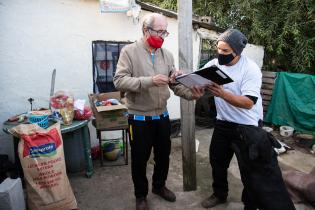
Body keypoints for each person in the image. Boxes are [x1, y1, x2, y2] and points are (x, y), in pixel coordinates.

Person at [113, 13, 204, 210]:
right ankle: (141, 196)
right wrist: (149, 81)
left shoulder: (167, 55)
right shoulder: (129, 52)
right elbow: (119, 81)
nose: (163, 36)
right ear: (146, 30)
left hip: (162, 117)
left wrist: (193, 94)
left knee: (163, 156)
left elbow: (175, 85)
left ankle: (159, 187)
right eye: (160, 31)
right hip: (139, 118)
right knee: (140, 159)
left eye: (165, 32)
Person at [201, 29, 295, 210]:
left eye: (225, 51)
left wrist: (222, 93)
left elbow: (248, 102)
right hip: (222, 123)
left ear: (237, 51)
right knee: (217, 161)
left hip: (247, 127)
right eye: (219, 49)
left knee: (250, 169)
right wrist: (192, 84)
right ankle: (219, 194)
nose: (220, 54)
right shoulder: (214, 64)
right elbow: (199, 79)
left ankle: (250, 203)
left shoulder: (250, 68)